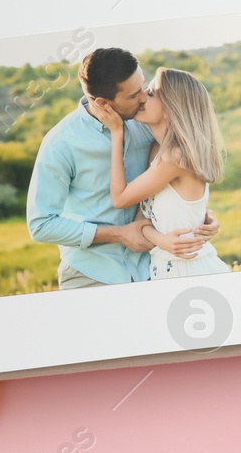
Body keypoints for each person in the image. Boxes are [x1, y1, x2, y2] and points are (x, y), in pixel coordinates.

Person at [25, 47, 219, 289]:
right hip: (92, 274)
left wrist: (199, 216)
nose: (143, 98)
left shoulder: (147, 123)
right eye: (133, 95)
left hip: (153, 269)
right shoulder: (61, 143)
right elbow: (41, 225)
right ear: (104, 103)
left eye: (144, 87)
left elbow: (175, 179)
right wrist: (117, 233)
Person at [85, 66, 230, 279]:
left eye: (151, 93)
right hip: (163, 269)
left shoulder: (174, 157)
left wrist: (117, 132)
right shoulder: (158, 151)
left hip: (190, 270)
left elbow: (120, 198)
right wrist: (159, 239)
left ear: (171, 108)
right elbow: (145, 217)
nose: (142, 98)